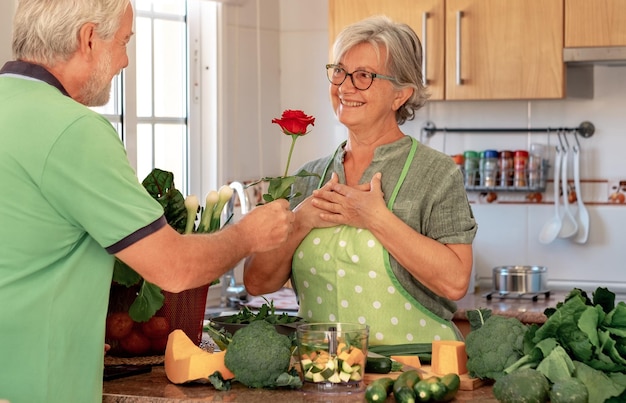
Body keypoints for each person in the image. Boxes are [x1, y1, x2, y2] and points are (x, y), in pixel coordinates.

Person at [0, 1, 294, 402]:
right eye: (123, 42)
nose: (124, 61)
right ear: (88, 38)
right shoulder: (74, 130)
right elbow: (173, 268)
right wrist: (247, 235)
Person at [244, 15, 477, 347]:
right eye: (339, 71)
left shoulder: (436, 173)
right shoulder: (310, 176)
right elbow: (256, 282)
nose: (344, 86)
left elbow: (455, 282)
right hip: (323, 374)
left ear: (401, 95)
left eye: (364, 76)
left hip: (415, 374)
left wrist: (375, 218)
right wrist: (301, 221)